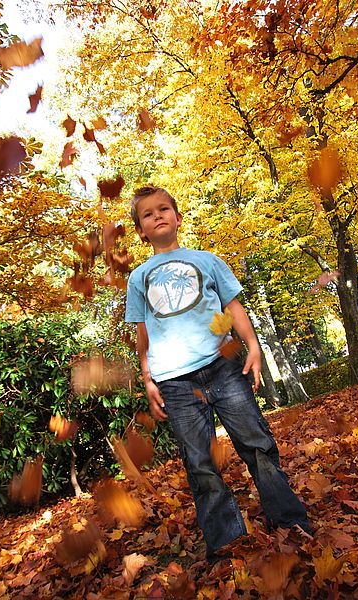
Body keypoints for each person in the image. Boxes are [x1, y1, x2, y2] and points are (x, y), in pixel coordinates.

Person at [124, 184, 311, 564]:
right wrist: (148, 379)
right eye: (148, 214)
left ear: (177, 217)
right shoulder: (138, 278)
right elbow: (143, 334)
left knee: (256, 444)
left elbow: (232, 307)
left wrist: (253, 345)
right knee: (201, 465)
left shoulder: (206, 260)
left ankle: (289, 521)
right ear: (141, 230)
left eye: (164, 209)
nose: (158, 215)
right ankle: (227, 545)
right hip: (175, 383)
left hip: (222, 367)